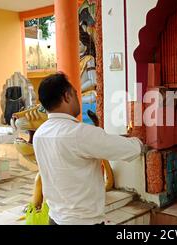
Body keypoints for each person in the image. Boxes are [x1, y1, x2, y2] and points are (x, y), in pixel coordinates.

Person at [33, 73, 143, 225]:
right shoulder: (79, 134)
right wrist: (139, 139)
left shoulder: (39, 134)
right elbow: (132, 149)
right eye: (75, 94)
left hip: (55, 219)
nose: (78, 99)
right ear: (66, 96)